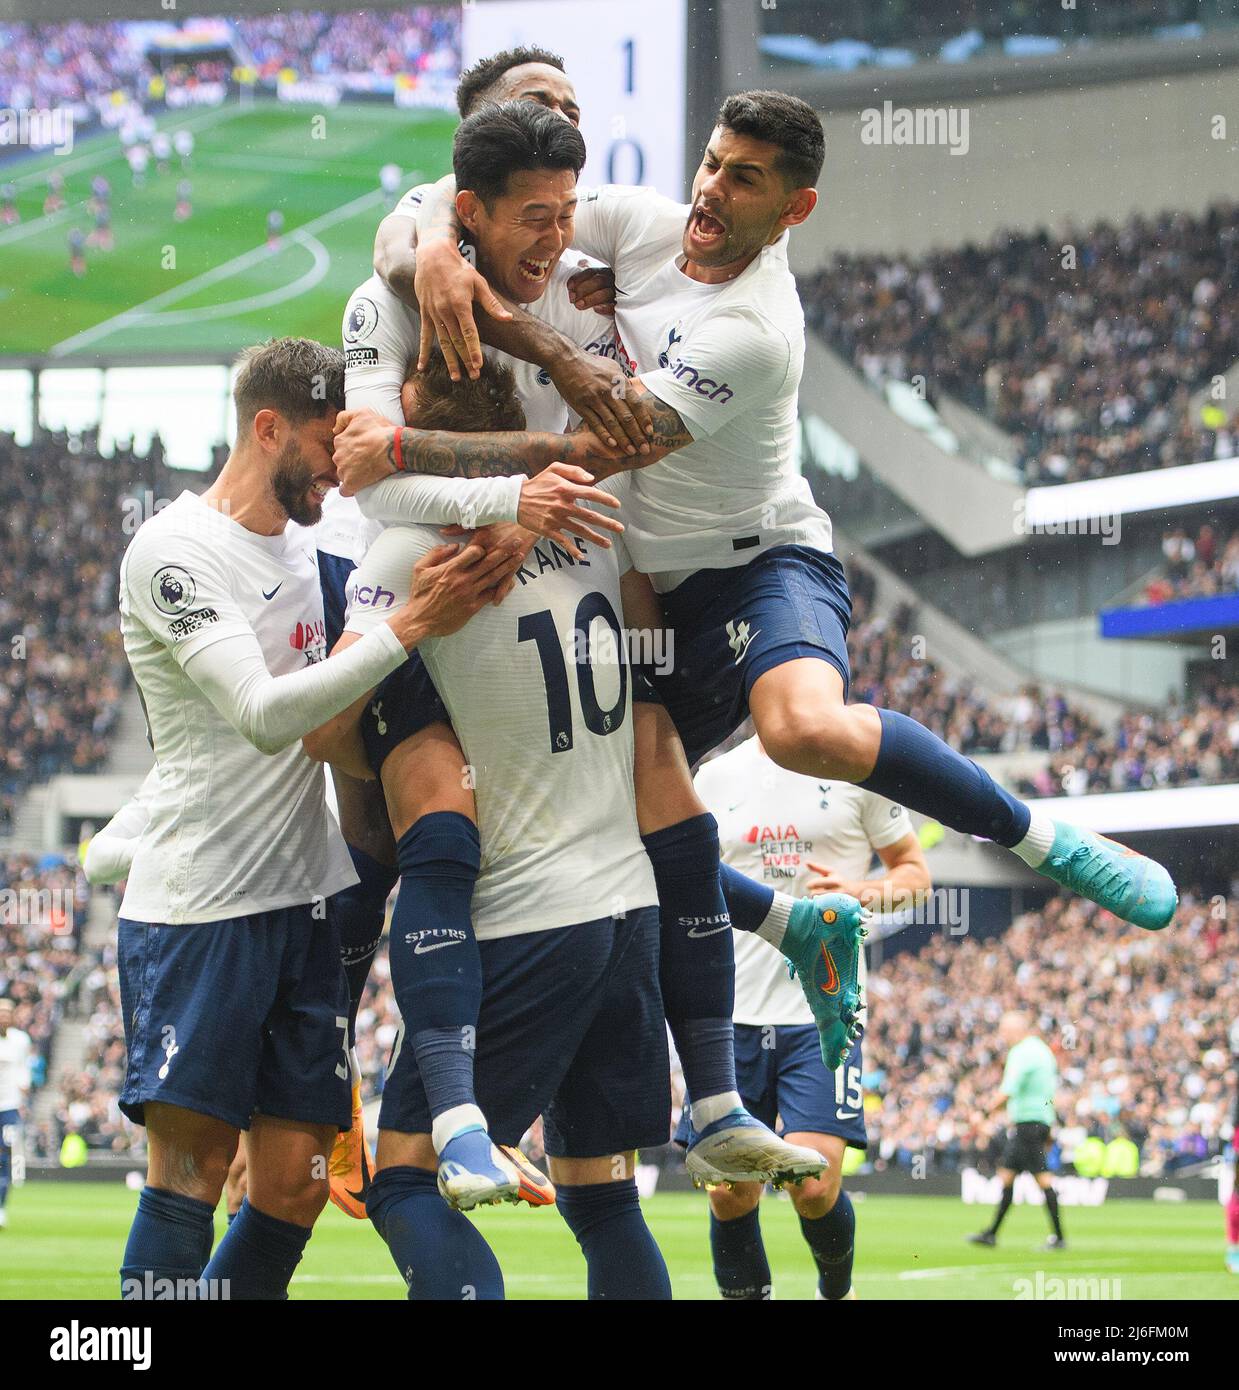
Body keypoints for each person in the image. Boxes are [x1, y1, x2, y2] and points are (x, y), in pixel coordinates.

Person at [346, 87, 1178, 974]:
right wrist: (434, 249)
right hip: (648, 584)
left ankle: (1042, 838)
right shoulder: (646, 224)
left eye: (743, 181)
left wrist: (398, 448)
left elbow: (593, 450)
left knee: (800, 729)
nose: (709, 192)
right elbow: (453, 202)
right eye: (710, 164)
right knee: (621, 808)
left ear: (794, 208)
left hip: (760, 561)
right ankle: (772, 970)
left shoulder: (753, 330)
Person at [113, 336, 524, 1299]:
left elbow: (420, 499)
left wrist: (507, 517)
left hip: (302, 909)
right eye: (321, 443)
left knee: (293, 1188)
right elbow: (263, 716)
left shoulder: (316, 545)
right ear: (266, 429)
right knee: (191, 1179)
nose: (340, 469)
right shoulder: (173, 552)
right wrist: (410, 624)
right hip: (201, 909)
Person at [306, 354, 673, 1301]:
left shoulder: (408, 547)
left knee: (405, 1177)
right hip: (631, 906)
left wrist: (399, 736)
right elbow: (646, 641)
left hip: (525, 913)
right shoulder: (594, 524)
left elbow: (322, 725)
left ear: (426, 434)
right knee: (604, 1198)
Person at [687, 733, 929, 1299]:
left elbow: (915, 875)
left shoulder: (856, 765)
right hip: (729, 1013)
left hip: (824, 1011)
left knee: (815, 1185)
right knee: (729, 1191)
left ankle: (835, 1292)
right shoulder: (713, 777)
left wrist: (863, 891)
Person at [967, 1011, 1065, 1250]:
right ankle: (991, 1233)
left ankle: (1059, 1238)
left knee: (1042, 1179)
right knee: (1007, 1175)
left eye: (1004, 1031)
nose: (1002, 1036)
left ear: (1015, 1030)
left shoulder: (1022, 1052)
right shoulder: (1042, 1050)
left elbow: (1008, 1090)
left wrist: (984, 1112)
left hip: (1028, 1123)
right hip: (1038, 1121)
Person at [0, 998, 31, 1230]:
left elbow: (24, 1070)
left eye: (7, 1012)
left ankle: (0, 1208)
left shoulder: (20, 1041)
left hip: (9, 1107)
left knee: (4, 1159)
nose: (4, 1015)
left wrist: (24, 1089)